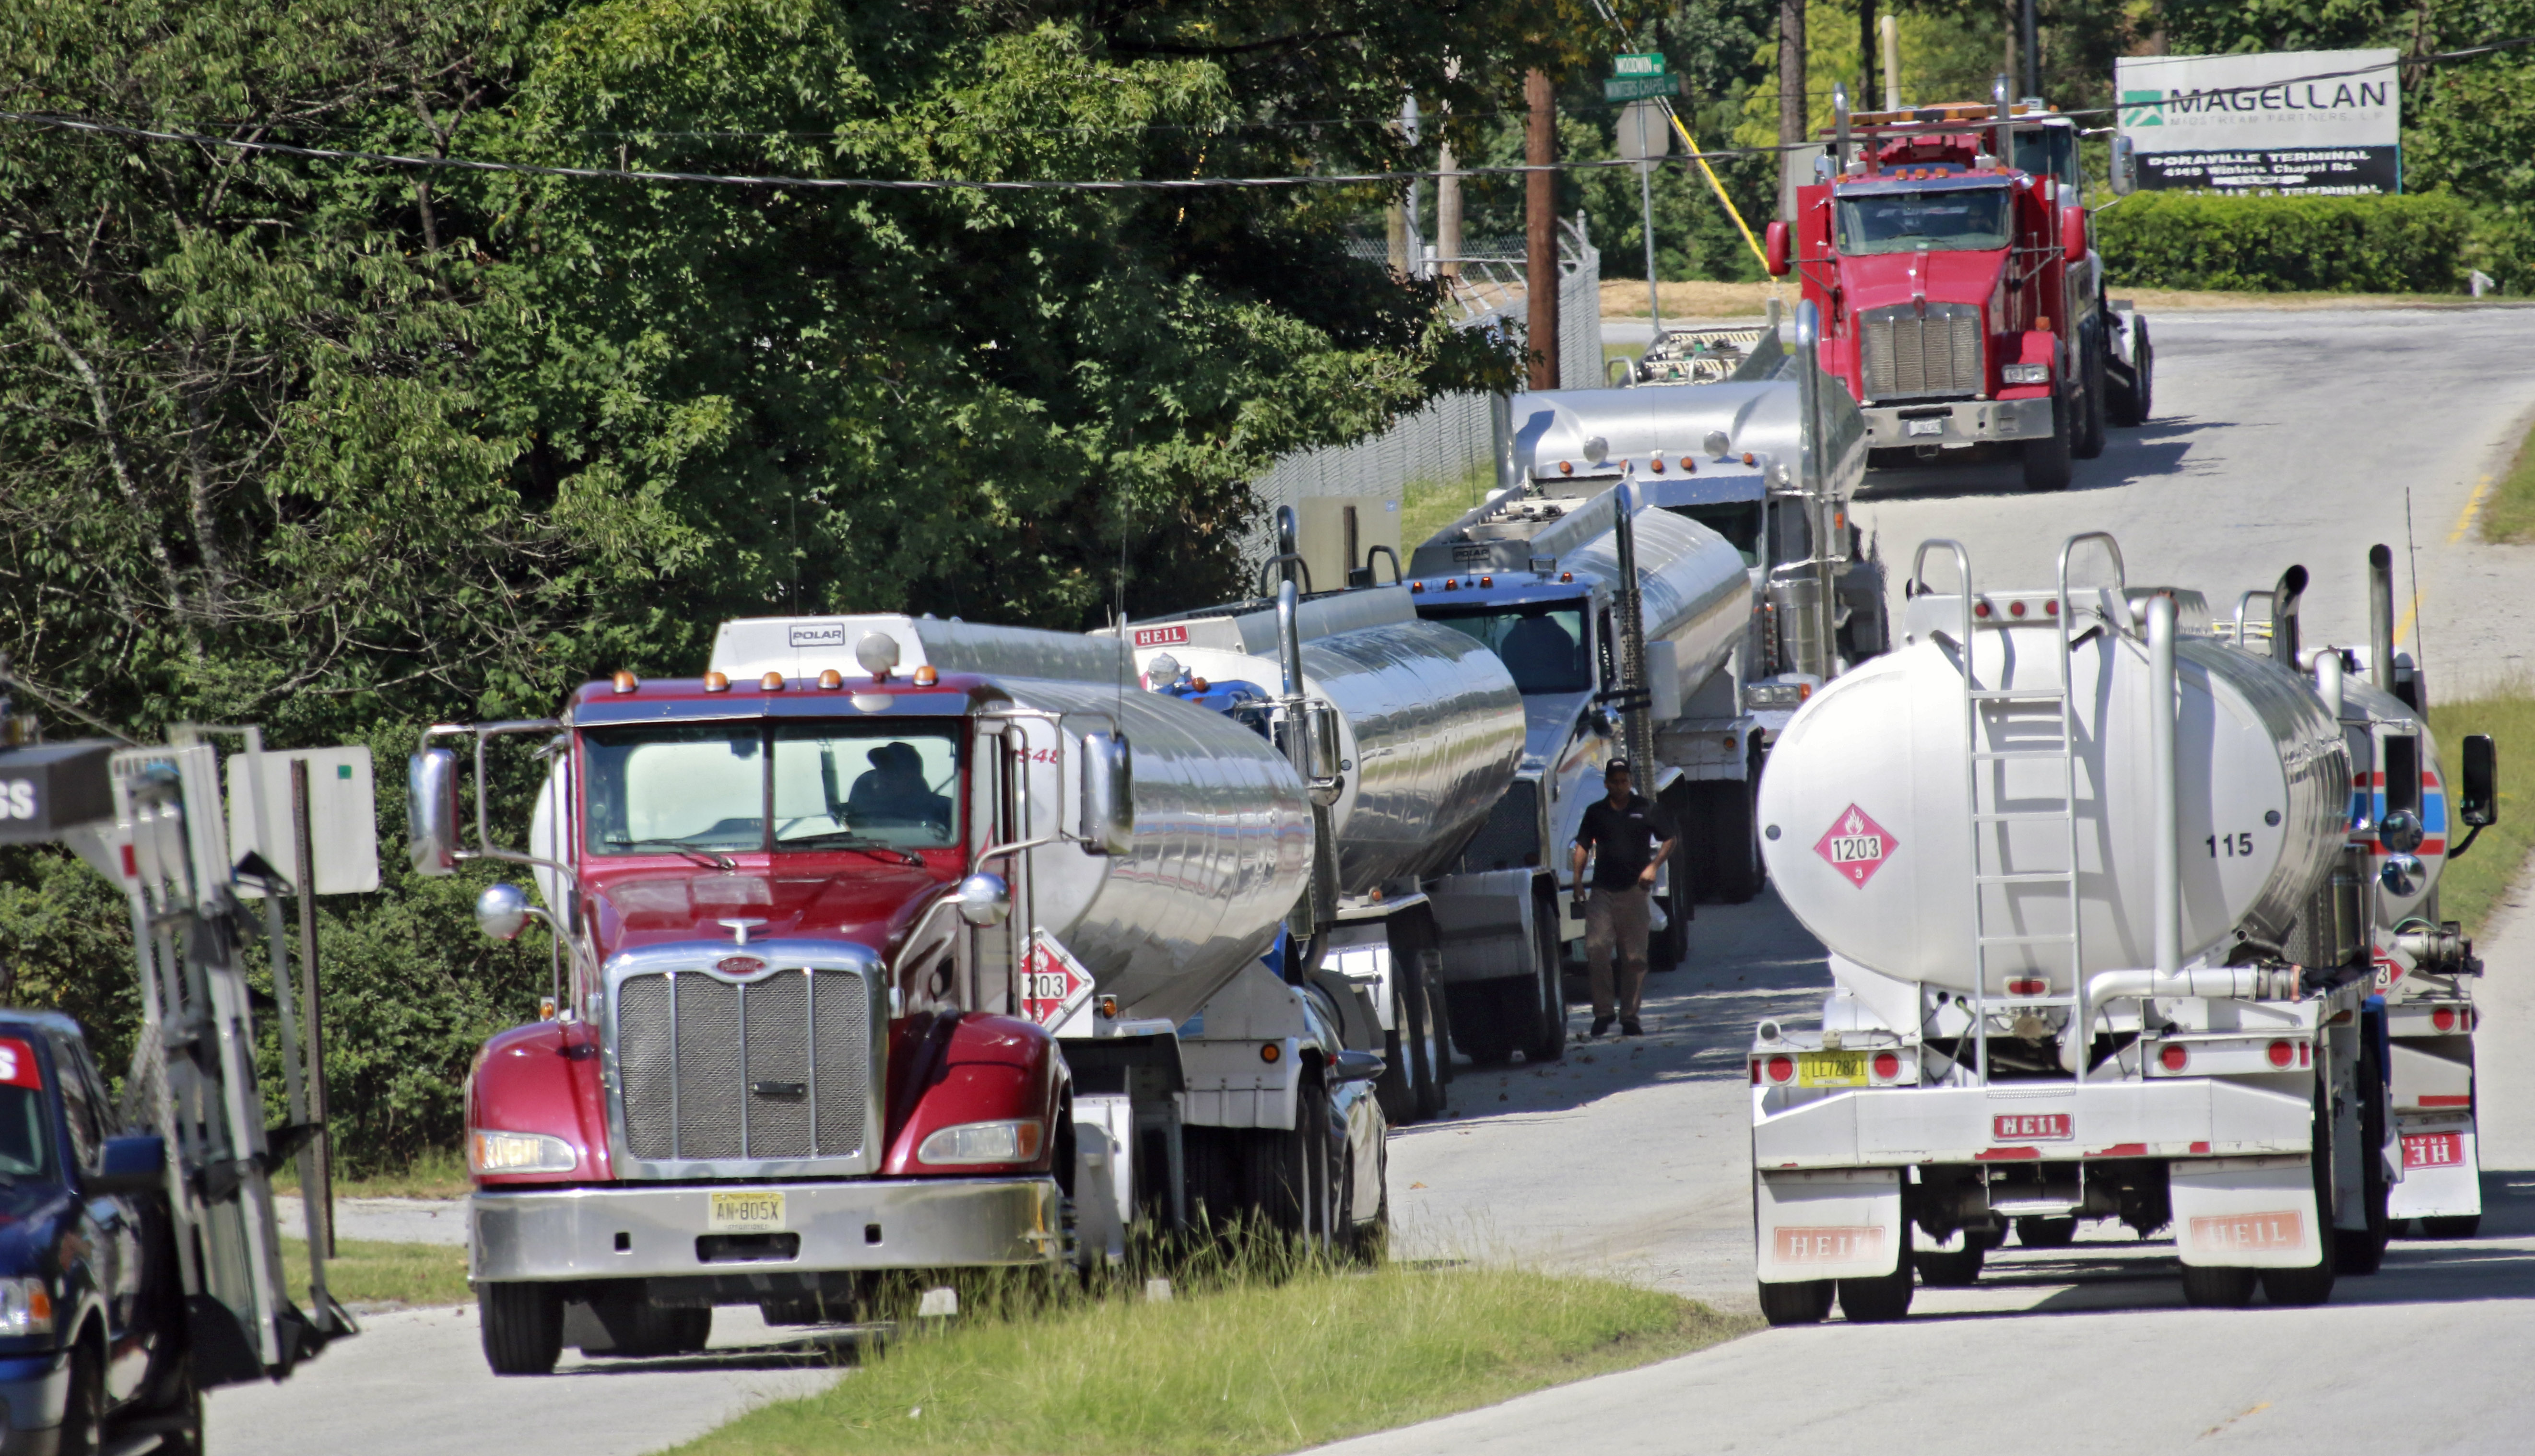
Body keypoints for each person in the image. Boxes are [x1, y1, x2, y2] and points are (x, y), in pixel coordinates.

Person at [1569, 759, 1678, 1037]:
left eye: (1624, 780)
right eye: (1615, 781)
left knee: (1634, 957)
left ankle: (1630, 1016)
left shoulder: (1645, 809)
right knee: (1596, 948)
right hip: (1603, 890)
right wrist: (1578, 881)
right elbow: (1582, 845)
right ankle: (1603, 1013)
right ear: (1606, 784)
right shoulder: (1596, 813)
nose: (1620, 785)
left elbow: (1670, 838)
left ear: (1630, 781)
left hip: (1634, 890)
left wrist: (1653, 867)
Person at [846, 741, 950, 834]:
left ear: (911, 777)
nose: (882, 776)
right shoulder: (863, 810)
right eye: (881, 769)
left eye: (892, 771)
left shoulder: (944, 811)